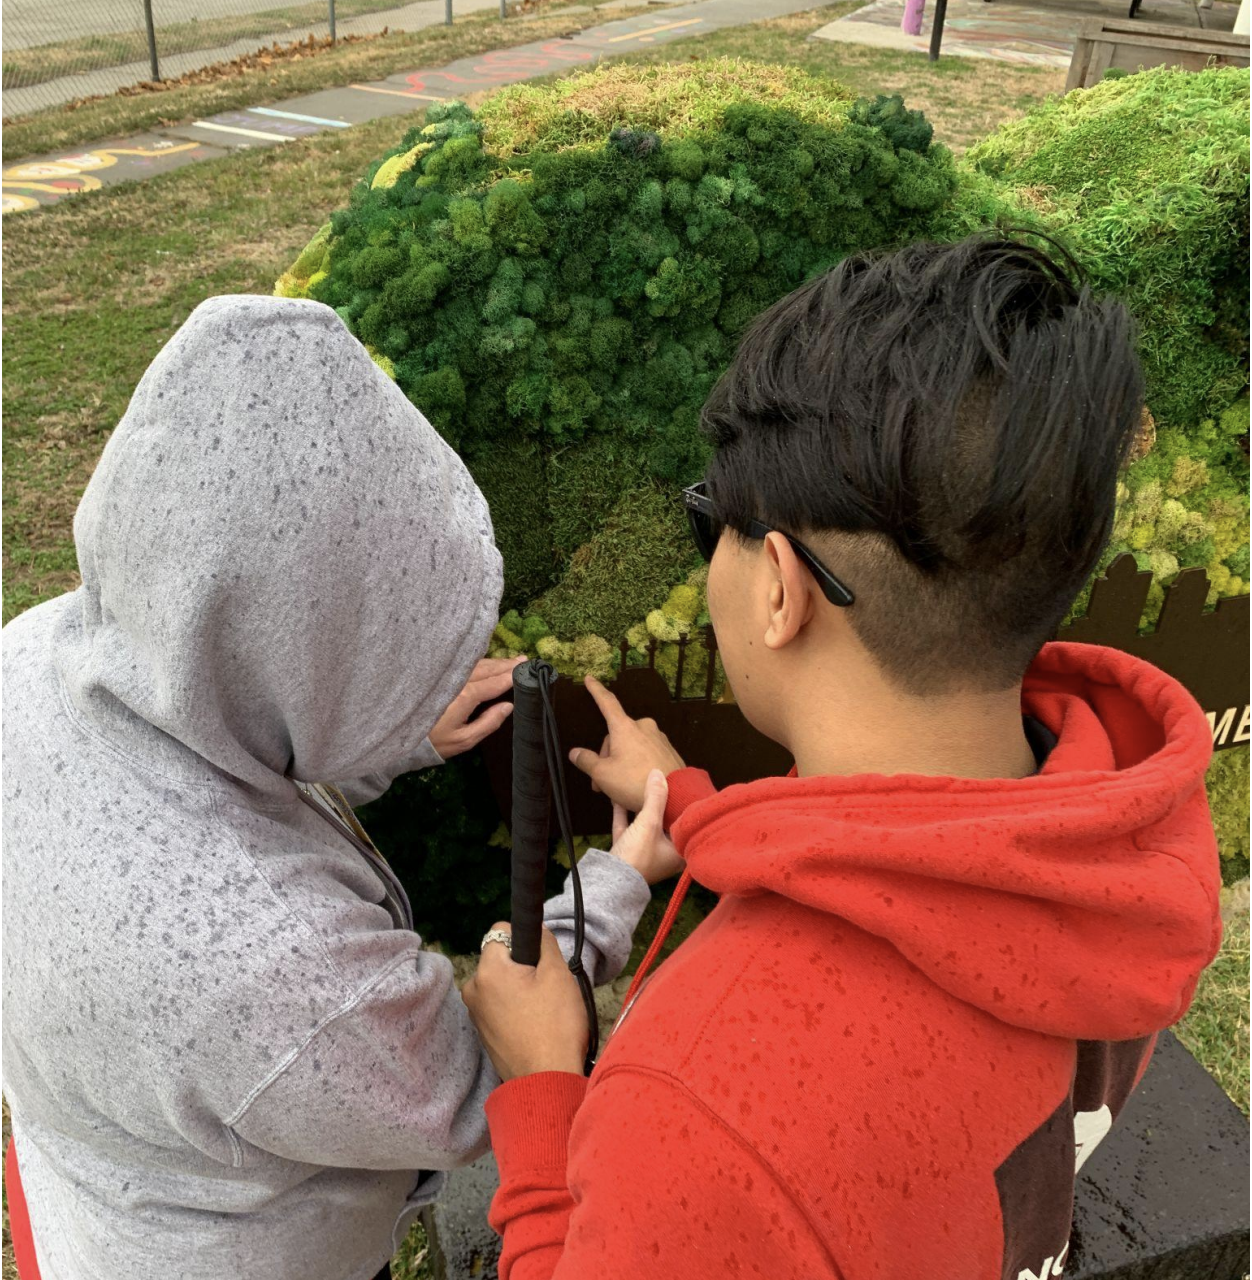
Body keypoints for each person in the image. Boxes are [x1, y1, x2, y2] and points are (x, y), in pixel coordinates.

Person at [461, 237, 1224, 1280]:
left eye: (709, 523)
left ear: (781, 586)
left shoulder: (703, 1099)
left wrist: (542, 1084)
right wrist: (685, 804)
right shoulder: (1123, 846)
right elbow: (929, 852)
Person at [1, 295, 657, 1280]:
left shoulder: (31, 653)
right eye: (373, 653)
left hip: (102, 1182)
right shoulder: (272, 965)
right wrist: (625, 868)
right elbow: (486, 1062)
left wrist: (372, 729)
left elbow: (207, 727)